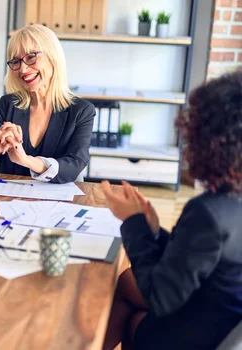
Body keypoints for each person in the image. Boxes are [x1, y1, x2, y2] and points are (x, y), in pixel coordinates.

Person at [102, 71, 242, 350]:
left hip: (197, 332)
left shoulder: (210, 213)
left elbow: (159, 297)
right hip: (221, 316)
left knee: (130, 309)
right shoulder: (230, 204)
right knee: (125, 282)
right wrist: (153, 231)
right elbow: (198, 257)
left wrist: (133, 222)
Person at [0, 24, 95, 183]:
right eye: (15, 62)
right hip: (8, 201)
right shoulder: (9, 104)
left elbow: (75, 164)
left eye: (31, 57)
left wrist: (26, 160)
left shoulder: (81, 111)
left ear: (53, 58)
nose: (23, 70)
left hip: (59, 204)